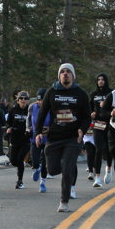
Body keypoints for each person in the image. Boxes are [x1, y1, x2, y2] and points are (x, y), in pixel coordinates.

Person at [35, 63, 91, 212]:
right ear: (59, 75)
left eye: (68, 72)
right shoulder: (52, 91)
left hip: (73, 138)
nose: (65, 74)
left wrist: (82, 129)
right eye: (63, 72)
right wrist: (38, 132)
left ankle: (64, 202)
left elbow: (87, 116)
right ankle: (63, 164)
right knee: (53, 170)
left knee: (67, 170)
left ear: (73, 76)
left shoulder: (80, 93)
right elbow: (42, 113)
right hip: (55, 137)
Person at [88, 73, 113, 187]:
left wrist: (106, 105)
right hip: (98, 125)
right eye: (99, 80)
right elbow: (88, 108)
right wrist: (91, 114)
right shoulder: (94, 94)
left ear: (106, 81)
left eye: (102, 79)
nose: (100, 81)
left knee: (108, 150)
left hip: (110, 124)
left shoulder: (111, 93)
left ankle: (108, 169)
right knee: (98, 149)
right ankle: (97, 178)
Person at [5, 91, 32, 189]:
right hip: (14, 139)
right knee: (13, 161)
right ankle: (20, 169)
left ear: (28, 100)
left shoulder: (30, 110)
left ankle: (20, 181)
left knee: (20, 160)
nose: (23, 100)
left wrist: (30, 129)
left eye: (25, 98)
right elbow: (8, 122)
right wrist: (8, 128)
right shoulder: (13, 110)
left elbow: (34, 122)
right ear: (18, 100)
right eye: (21, 98)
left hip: (25, 139)